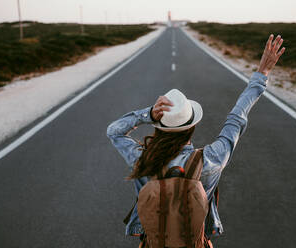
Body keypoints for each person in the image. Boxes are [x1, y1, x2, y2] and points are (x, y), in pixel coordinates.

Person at [106, 34, 285, 245]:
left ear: (159, 127)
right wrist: (261, 74)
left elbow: (114, 131)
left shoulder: (143, 159)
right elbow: (237, 118)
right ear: (191, 127)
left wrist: (148, 114)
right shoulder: (210, 159)